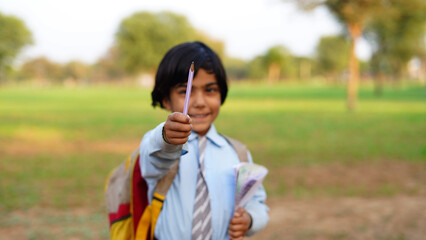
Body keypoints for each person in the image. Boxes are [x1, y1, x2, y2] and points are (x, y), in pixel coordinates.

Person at [139, 41, 269, 240]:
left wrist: (250, 219)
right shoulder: (161, 144)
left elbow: (256, 201)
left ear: (221, 94)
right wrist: (167, 137)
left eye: (210, 90)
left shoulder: (238, 153)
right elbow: (156, 155)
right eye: (185, 91)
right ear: (166, 99)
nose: (199, 102)